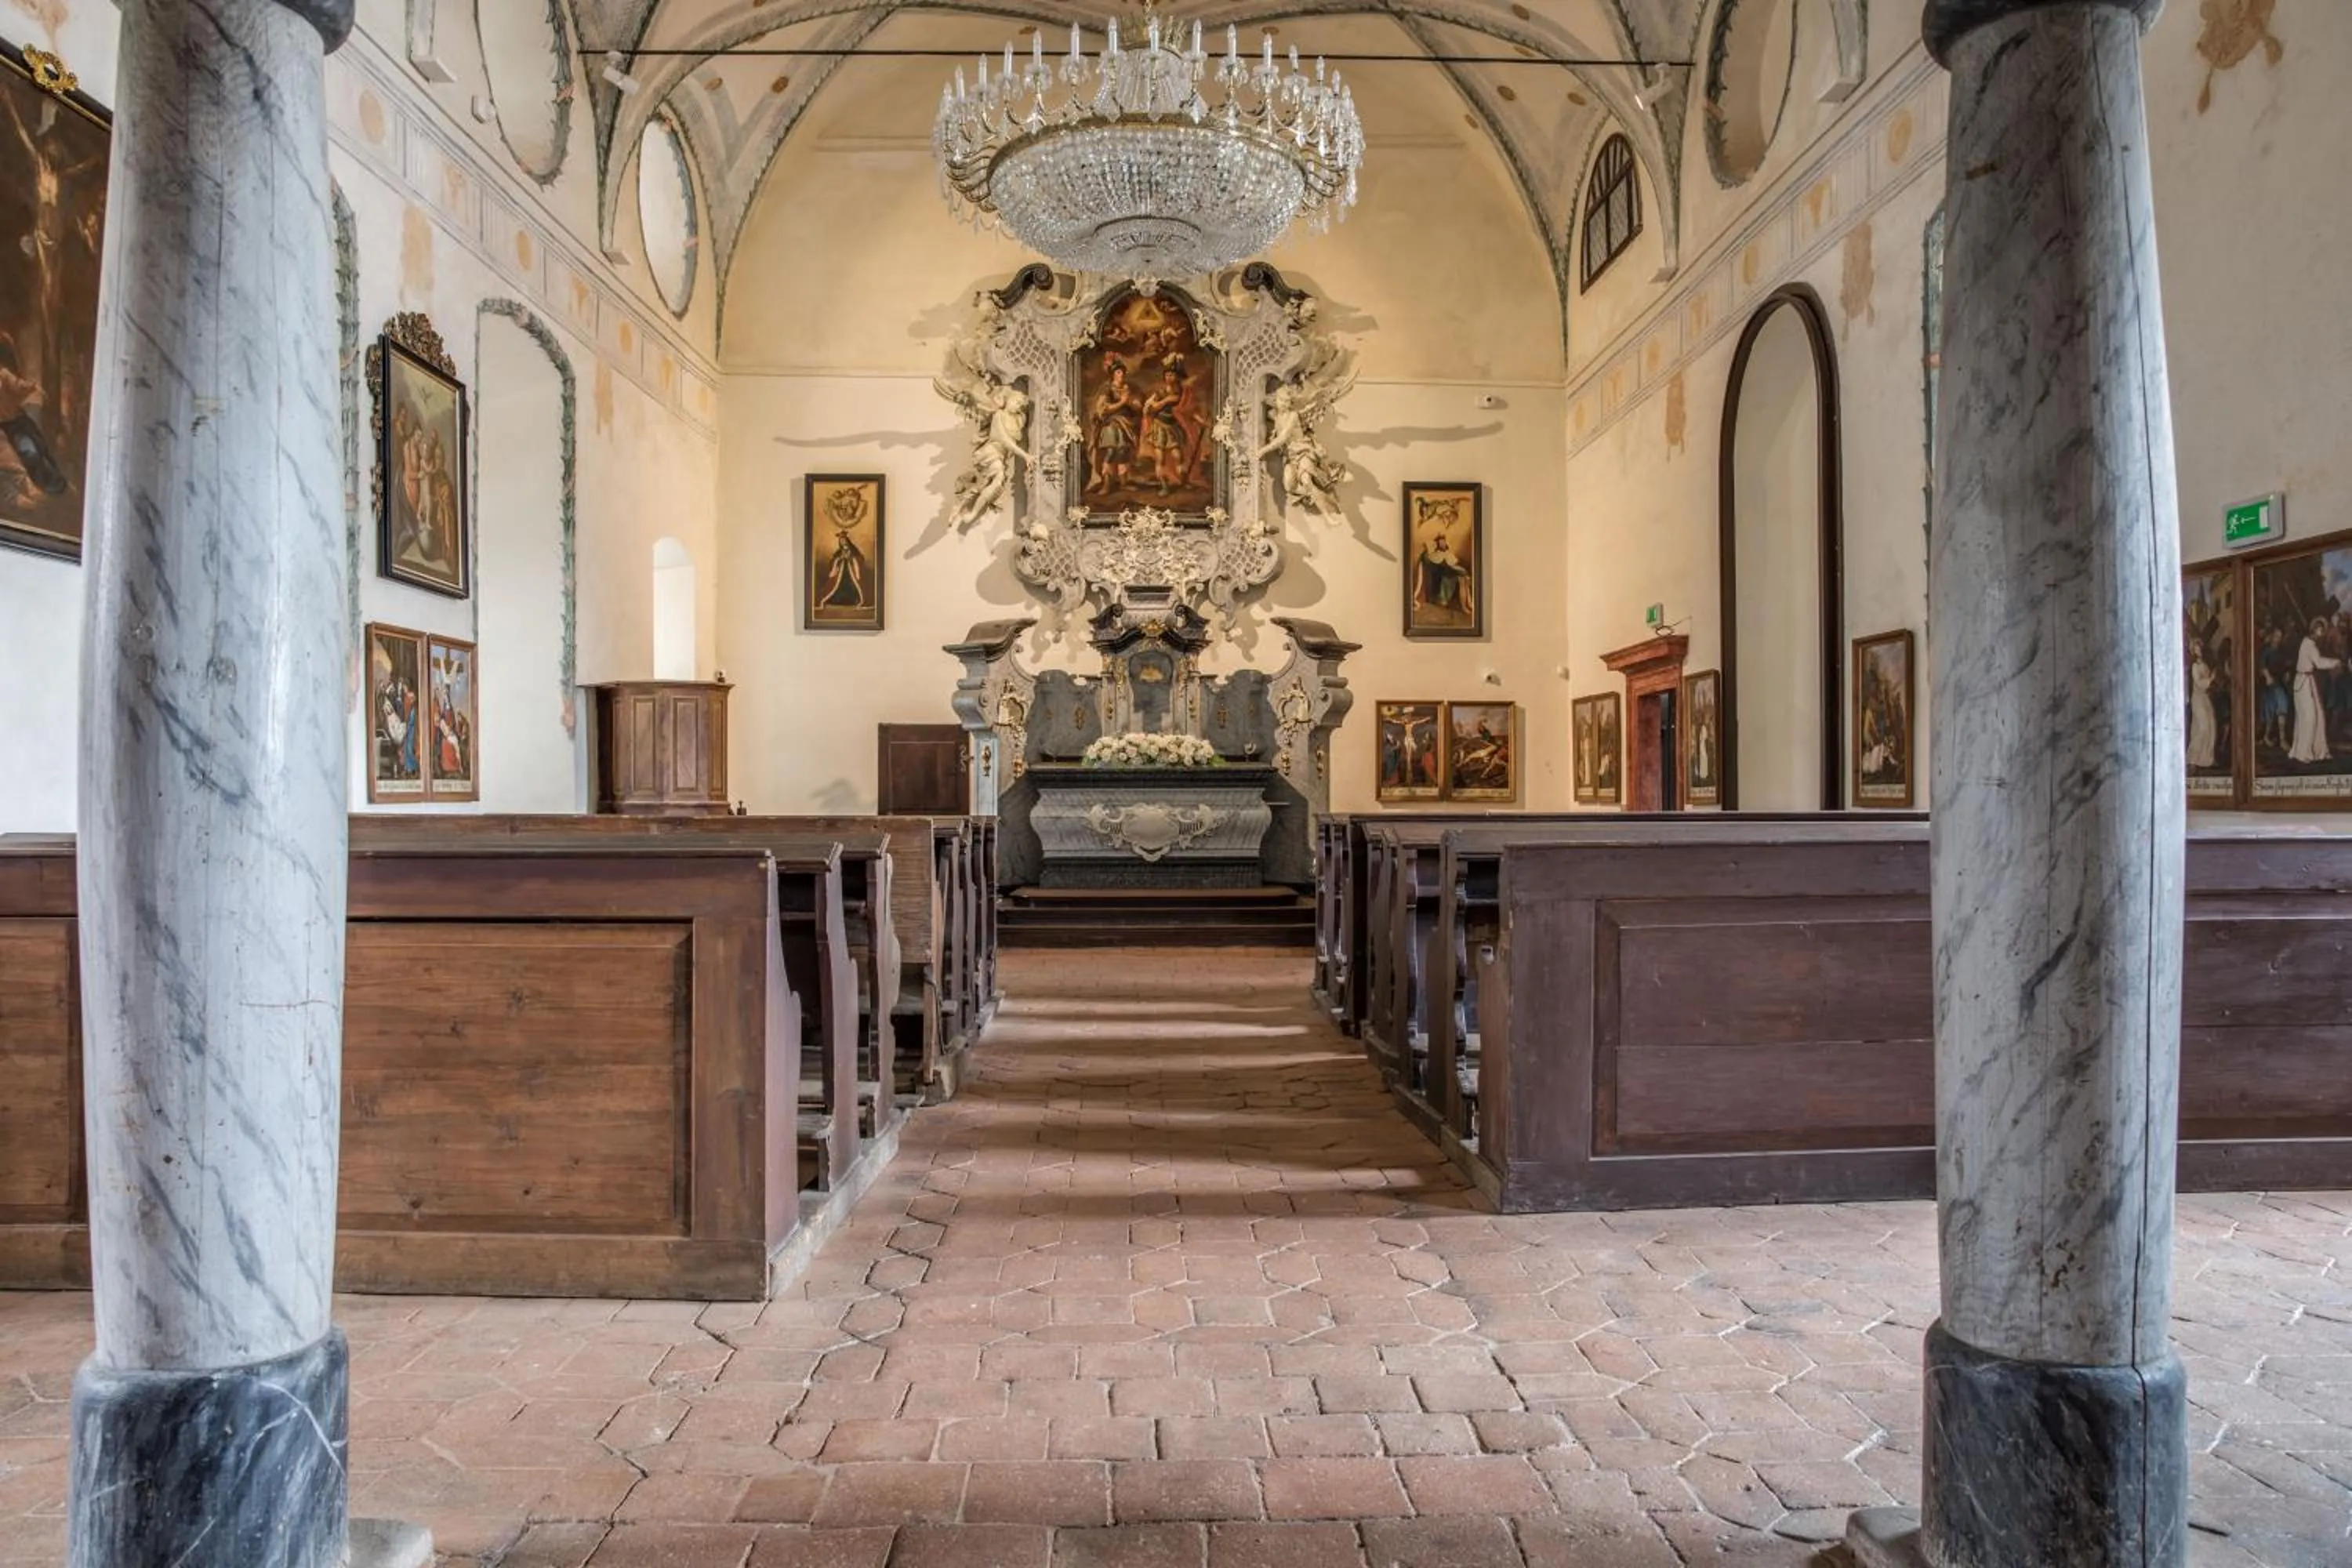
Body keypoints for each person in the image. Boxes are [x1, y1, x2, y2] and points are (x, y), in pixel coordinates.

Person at [2290, 615, 2343, 765]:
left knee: (2318, 716)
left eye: (2323, 630)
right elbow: (2319, 662)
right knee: (2309, 717)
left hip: (2308, 682)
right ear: (2314, 630)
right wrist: (2336, 662)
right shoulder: (2308, 645)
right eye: (2320, 629)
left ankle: (2317, 751)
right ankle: (2303, 753)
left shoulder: (2310, 643)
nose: (2322, 632)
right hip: (2303, 682)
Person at [1139, 363, 1191, 495]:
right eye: (1167, 375)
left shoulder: (1179, 391)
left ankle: (1183, 481)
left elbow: (1174, 401)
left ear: (1177, 377)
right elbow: (1151, 407)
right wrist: (1155, 404)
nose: (1169, 377)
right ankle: (1164, 486)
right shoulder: (1160, 391)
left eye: (1172, 375)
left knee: (1178, 456)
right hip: (1159, 426)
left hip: (1172, 426)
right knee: (1160, 458)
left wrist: (1161, 403)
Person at [1087, 361, 1137, 495]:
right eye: (1118, 372)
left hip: (1125, 424)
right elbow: (1103, 408)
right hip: (1110, 424)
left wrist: (1133, 404)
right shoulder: (1107, 388)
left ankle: (1123, 483)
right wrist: (1122, 402)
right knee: (1111, 451)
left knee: (1123, 451)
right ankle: (1106, 485)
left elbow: (1131, 407)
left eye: (1122, 372)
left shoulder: (1126, 389)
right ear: (1113, 375)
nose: (1121, 375)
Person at [2187, 641, 2220, 770]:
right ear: (2193, 652)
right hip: (2198, 698)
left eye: (2199, 648)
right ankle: (2193, 759)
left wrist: (2213, 680)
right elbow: (2200, 684)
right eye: (2195, 649)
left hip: (2205, 698)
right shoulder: (2195, 666)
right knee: (2202, 727)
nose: (2198, 651)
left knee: (2211, 725)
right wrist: (2211, 679)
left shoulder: (2204, 665)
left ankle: (2207, 758)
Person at [820, 527, 869, 608]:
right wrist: (839, 559)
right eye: (841, 541)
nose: (842, 542)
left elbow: (860, 558)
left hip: (850, 572)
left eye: (844, 540)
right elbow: (833, 560)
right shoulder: (839, 551)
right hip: (841, 573)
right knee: (836, 587)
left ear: (847, 540)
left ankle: (854, 600)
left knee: (852, 586)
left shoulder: (853, 549)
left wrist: (851, 558)